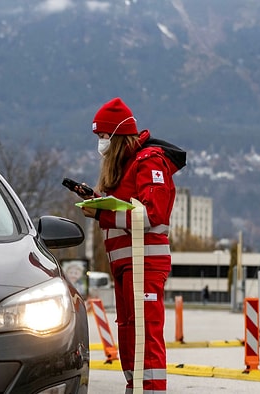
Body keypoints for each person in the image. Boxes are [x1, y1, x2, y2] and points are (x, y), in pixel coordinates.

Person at [79, 97, 186, 393]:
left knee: (146, 332)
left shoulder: (149, 161)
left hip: (145, 262)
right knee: (128, 331)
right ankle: (134, 385)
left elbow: (152, 213)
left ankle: (150, 388)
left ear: (118, 136)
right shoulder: (123, 167)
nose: (101, 144)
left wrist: (103, 213)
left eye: (104, 136)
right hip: (125, 264)